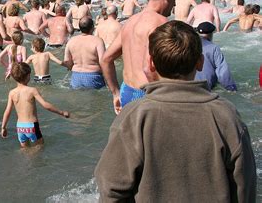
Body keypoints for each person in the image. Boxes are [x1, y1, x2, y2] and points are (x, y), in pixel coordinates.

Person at [94, 21, 256, 202]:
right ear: (200, 62)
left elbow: (111, 188)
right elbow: (244, 189)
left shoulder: (133, 117)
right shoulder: (227, 116)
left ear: (151, 63)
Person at [103, 0, 178, 114]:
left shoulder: (130, 22)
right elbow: (149, 68)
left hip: (126, 92)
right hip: (147, 95)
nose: (175, 3)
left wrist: (115, 93)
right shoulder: (162, 24)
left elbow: (106, 59)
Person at [0, 62, 69, 147]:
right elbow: (45, 105)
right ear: (28, 76)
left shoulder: (12, 93)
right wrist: (61, 112)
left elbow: (7, 111)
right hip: (32, 125)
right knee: (40, 146)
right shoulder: (32, 90)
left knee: (25, 149)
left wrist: (3, 127)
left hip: (20, 127)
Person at [64, 17, 106, 89]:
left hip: (76, 77)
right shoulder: (98, 41)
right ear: (92, 27)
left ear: (79, 27)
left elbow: (67, 62)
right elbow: (103, 62)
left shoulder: (71, 41)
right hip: (93, 76)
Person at [194, 22, 237, 91]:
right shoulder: (214, 48)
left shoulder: (189, 44)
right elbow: (223, 72)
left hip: (187, 85)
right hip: (205, 87)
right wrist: (231, 88)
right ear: (211, 34)